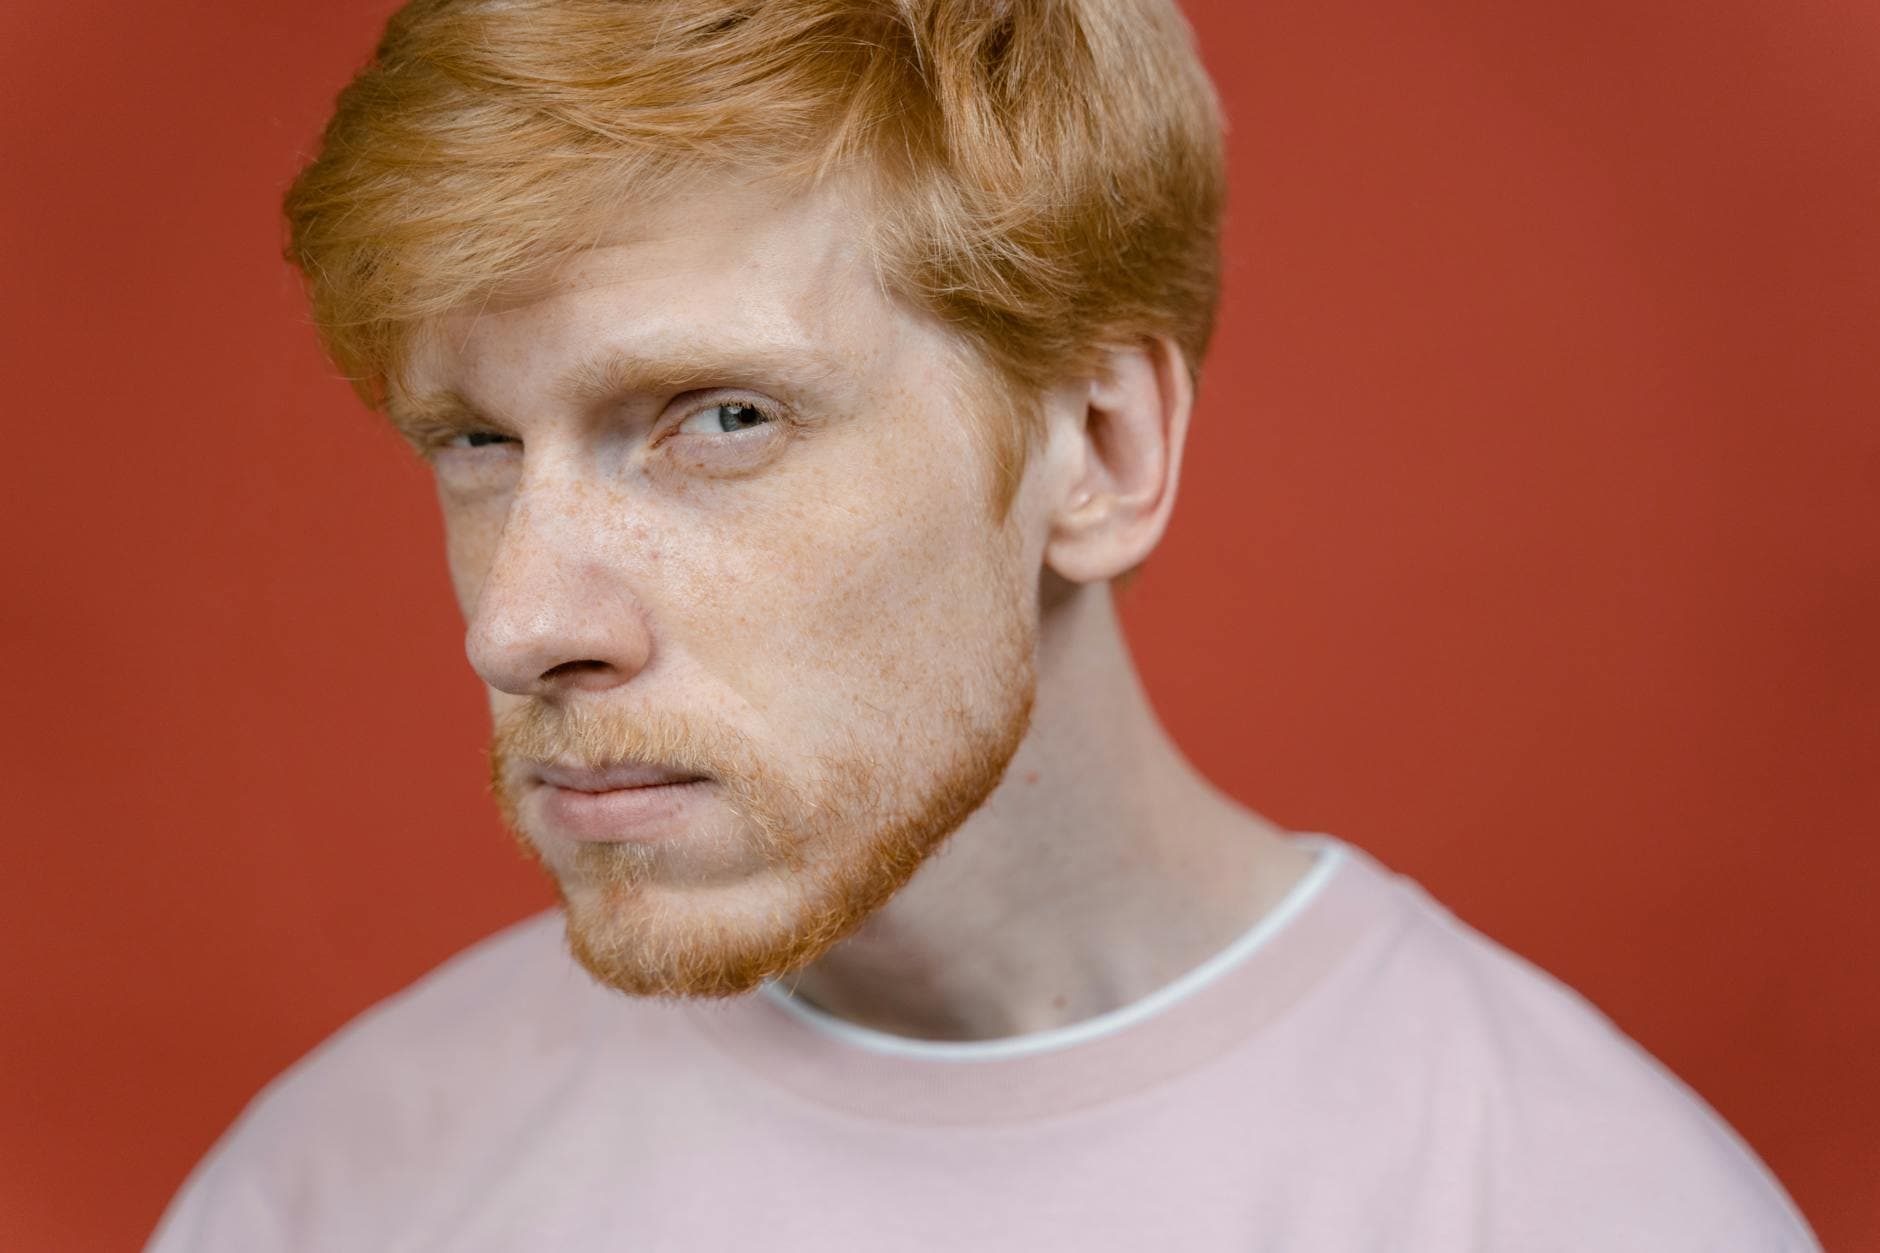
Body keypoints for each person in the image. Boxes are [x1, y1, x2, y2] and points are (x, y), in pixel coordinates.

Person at [150, 1, 1821, 1248]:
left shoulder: (1568, 1198)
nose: (518, 624)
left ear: (1099, 450)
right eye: (475, 441)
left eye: (718, 416)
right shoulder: (339, 1187)